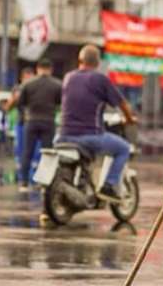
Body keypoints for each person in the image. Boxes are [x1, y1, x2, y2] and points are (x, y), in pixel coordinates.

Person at [57, 44, 137, 200]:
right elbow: (122, 104)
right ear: (98, 63)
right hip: (88, 136)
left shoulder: (68, 77)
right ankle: (109, 185)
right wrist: (129, 119)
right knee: (123, 148)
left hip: (63, 135)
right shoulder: (100, 79)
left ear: (80, 59)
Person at [18, 58, 62, 193]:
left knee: (27, 152)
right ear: (51, 69)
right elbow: (60, 103)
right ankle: (44, 183)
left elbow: (21, 103)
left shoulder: (28, 84)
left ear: (37, 68)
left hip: (31, 120)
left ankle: (24, 183)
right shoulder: (57, 85)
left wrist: (25, 115)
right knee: (47, 153)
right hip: (48, 121)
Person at [7, 66, 35, 181]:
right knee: (20, 150)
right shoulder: (17, 89)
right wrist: (14, 98)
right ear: (22, 78)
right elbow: (8, 107)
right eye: (26, 78)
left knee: (34, 151)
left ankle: (33, 177)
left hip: (34, 123)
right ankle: (21, 176)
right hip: (22, 123)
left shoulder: (37, 88)